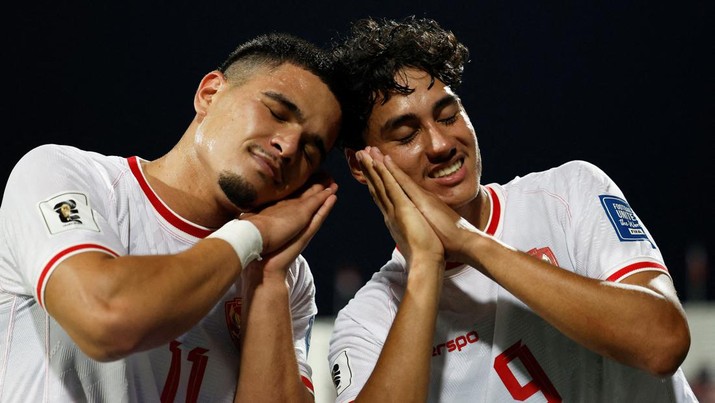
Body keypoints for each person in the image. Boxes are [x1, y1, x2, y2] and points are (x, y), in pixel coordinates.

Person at [327, 16, 697, 402]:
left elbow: (662, 343)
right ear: (360, 165)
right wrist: (425, 265)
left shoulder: (567, 193)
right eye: (407, 134)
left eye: (448, 115)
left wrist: (470, 243)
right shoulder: (368, 321)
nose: (440, 144)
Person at [0, 32, 344, 402]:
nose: (289, 146)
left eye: (311, 149)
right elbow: (106, 320)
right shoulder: (67, 176)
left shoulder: (287, 275)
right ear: (209, 94)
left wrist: (270, 274)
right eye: (276, 113)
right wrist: (252, 235)